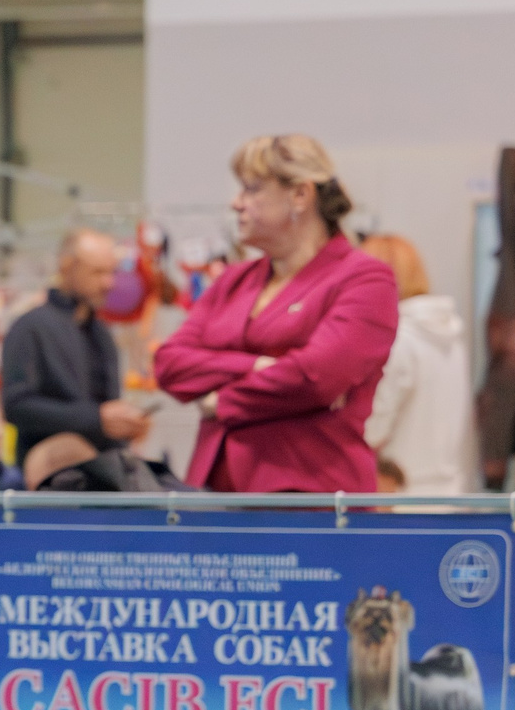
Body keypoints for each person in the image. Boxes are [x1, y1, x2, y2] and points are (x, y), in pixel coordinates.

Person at [155, 135, 396, 493]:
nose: (236, 204)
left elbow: (315, 379)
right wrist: (256, 366)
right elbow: (169, 364)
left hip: (308, 496)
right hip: (212, 494)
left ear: (300, 195)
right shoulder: (233, 280)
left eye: (252, 190)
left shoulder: (364, 278)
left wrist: (220, 401)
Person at [0, 228, 151, 456]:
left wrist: (125, 425)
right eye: (97, 272)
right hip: (49, 475)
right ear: (67, 267)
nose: (108, 283)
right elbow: (17, 406)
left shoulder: (101, 333)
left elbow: (107, 405)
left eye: (111, 272)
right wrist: (95, 419)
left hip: (104, 471)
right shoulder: (31, 328)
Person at [359, 233, 473, 495]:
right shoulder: (451, 337)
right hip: (449, 490)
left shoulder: (396, 340)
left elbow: (374, 429)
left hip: (399, 494)